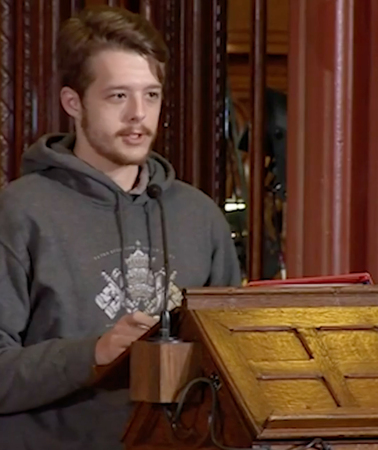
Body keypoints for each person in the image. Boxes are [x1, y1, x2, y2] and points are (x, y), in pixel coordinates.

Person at [0, 6, 241, 450]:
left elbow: (233, 362)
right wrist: (94, 353)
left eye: (151, 95)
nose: (138, 115)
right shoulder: (19, 212)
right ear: (74, 103)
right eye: (118, 97)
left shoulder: (198, 214)